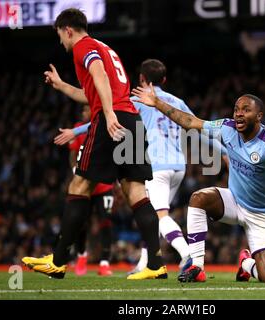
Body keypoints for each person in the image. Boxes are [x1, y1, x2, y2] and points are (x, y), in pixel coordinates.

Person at [22, 8, 166, 280]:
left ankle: (59, 260)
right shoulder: (104, 46)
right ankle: (156, 264)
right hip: (131, 118)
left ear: (68, 30)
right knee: (135, 190)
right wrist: (63, 86)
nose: (61, 43)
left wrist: (108, 113)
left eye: (59, 36)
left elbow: (99, 79)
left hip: (110, 119)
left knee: (79, 184)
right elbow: (93, 93)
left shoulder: (82, 46)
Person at [54, 59, 227, 275]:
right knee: (152, 215)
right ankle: (145, 264)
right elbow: (197, 127)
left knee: (158, 215)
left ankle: (188, 255)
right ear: (164, 79)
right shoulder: (177, 101)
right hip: (178, 166)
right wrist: (224, 152)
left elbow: (106, 120)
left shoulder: (137, 100)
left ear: (142, 79)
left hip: (157, 165)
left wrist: (75, 132)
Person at [132, 85, 265, 283]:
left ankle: (246, 264)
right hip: (233, 201)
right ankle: (197, 266)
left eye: (246, 110)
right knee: (198, 198)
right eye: (236, 109)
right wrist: (157, 103)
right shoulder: (227, 128)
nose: (239, 114)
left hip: (262, 215)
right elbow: (191, 122)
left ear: (259, 116)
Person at [67, 105, 114, 276]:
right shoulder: (78, 129)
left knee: (106, 222)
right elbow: (73, 154)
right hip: (85, 186)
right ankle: (81, 256)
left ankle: (104, 262)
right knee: (81, 222)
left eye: (88, 109)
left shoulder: (106, 125)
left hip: (104, 185)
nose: (86, 112)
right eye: (84, 110)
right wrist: (74, 170)